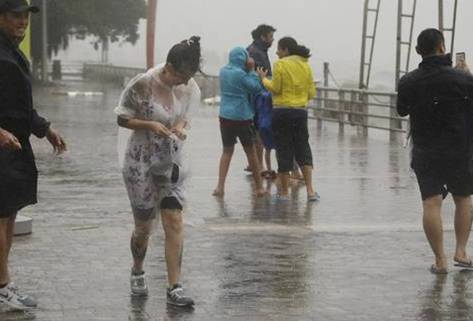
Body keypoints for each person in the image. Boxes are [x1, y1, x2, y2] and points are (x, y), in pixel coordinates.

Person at [115, 36, 201, 307]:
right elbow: (122, 117)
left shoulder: (190, 87)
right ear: (170, 67)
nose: (186, 82)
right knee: (144, 227)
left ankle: (174, 286)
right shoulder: (143, 84)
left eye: (190, 77)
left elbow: (186, 117)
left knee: (174, 218)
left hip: (172, 163)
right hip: (140, 162)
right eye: (182, 76)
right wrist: (151, 126)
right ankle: (137, 269)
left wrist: (181, 128)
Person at [0, 0, 66, 310]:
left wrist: (45, 128)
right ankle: (2, 287)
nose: (22, 22)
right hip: (2, 146)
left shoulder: (14, 54)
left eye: (25, 17)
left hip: (17, 145)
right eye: (15, 16)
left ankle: (2, 281)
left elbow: (21, 107)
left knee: (9, 213)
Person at [397, 28, 473, 274]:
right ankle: (461, 251)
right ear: (442, 46)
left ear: (418, 51)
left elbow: (402, 110)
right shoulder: (463, 79)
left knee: (431, 203)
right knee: (464, 199)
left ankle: (440, 260)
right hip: (459, 148)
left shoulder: (408, 81)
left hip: (426, 149)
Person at [256, 37, 319, 202]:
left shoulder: (281, 65)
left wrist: (263, 79)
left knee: (283, 150)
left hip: (281, 112)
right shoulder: (306, 66)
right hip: (300, 113)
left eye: (279, 49)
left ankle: (284, 193)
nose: (277, 52)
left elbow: (275, 88)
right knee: (303, 149)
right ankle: (311, 191)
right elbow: (312, 94)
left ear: (285, 50)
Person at [212, 47, 265, 197]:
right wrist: (253, 71)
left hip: (225, 116)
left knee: (227, 151)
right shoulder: (242, 75)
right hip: (242, 117)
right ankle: (259, 187)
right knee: (251, 152)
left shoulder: (223, 71)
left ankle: (220, 187)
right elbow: (255, 88)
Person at [246, 24, 276, 174]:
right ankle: (258, 165)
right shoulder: (257, 53)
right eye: (271, 36)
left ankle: (254, 164)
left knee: (255, 132)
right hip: (258, 97)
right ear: (263, 37)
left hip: (254, 96)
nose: (273, 40)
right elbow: (260, 75)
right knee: (259, 131)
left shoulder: (255, 50)